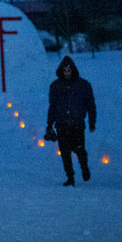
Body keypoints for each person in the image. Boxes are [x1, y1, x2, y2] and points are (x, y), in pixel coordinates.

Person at [46, 56, 97, 186]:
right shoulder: (55, 86)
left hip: (77, 124)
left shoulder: (83, 85)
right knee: (65, 153)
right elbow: (52, 106)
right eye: (64, 70)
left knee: (80, 149)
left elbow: (90, 104)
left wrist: (92, 122)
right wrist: (49, 124)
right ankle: (70, 177)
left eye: (69, 70)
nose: (67, 73)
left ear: (73, 70)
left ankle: (84, 168)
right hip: (61, 124)